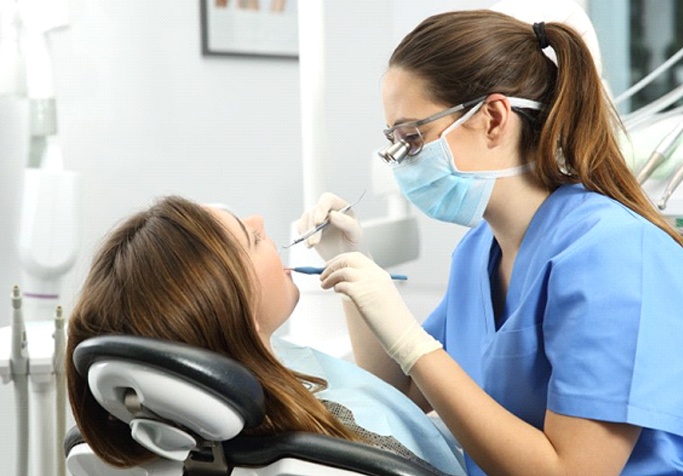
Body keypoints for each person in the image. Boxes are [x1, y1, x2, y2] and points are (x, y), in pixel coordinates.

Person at [297, 9, 683, 476]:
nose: (401, 164)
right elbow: (399, 390)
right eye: (395, 144)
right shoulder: (479, 251)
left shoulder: (614, 252)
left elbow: (574, 471)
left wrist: (413, 341)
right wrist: (351, 264)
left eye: (413, 139)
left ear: (495, 118)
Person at [65, 195, 465, 475]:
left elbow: (374, 396)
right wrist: (412, 343)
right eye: (251, 239)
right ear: (241, 319)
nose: (259, 220)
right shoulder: (343, 446)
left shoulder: (202, 411)